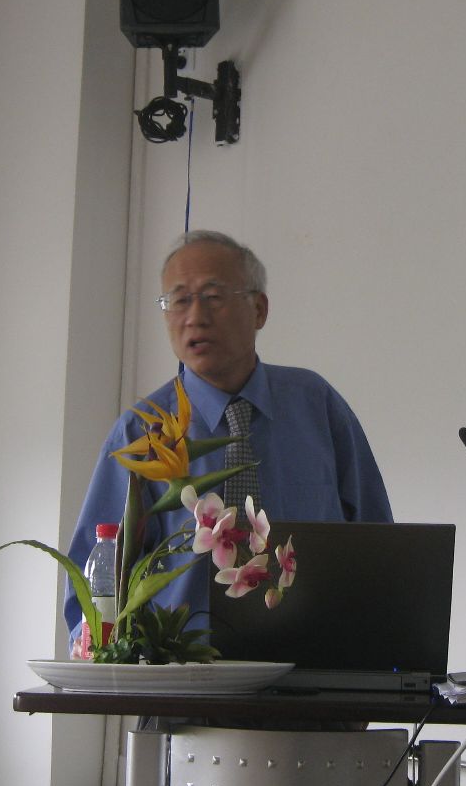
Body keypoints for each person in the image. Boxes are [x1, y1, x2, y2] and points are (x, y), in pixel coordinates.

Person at [63, 229, 393, 639]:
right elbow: (93, 592)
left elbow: (380, 548)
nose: (195, 317)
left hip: (313, 662)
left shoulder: (317, 407)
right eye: (179, 300)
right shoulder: (142, 431)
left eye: (213, 296)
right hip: (184, 669)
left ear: (259, 310)